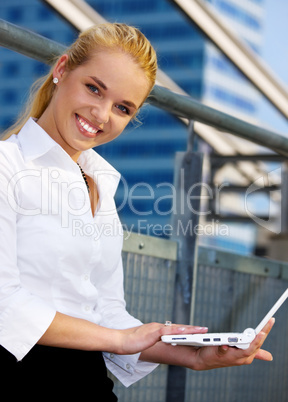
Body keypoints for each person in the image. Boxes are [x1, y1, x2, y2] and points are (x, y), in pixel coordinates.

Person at [0, 22, 274, 400]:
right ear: (61, 70)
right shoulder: (6, 166)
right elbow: (4, 303)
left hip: (86, 378)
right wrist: (119, 338)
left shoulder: (100, 184)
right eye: (94, 88)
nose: (101, 113)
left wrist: (193, 355)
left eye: (122, 107)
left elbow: (108, 312)